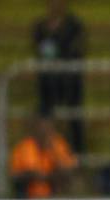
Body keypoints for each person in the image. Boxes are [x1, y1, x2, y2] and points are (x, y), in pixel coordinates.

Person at [34, 0, 87, 153]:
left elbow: (77, 50)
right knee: (46, 118)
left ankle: (77, 155)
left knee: (75, 119)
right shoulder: (40, 27)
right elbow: (40, 50)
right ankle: (47, 153)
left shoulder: (74, 26)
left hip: (70, 82)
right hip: (48, 83)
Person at [10, 117, 78, 199]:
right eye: (41, 128)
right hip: (27, 195)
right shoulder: (24, 146)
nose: (44, 132)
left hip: (55, 194)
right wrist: (45, 176)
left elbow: (67, 171)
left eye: (47, 129)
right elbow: (18, 174)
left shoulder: (58, 145)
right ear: (35, 129)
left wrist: (53, 151)